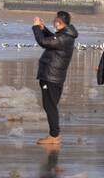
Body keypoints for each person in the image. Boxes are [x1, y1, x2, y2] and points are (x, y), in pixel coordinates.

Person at [32, 11, 78, 145]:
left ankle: (54, 135)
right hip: (55, 77)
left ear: (59, 22)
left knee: (49, 106)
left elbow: (43, 42)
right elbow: (52, 39)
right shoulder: (66, 35)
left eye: (55, 21)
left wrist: (35, 27)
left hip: (51, 77)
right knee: (51, 105)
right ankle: (54, 134)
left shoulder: (63, 38)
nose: (54, 23)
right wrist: (43, 28)